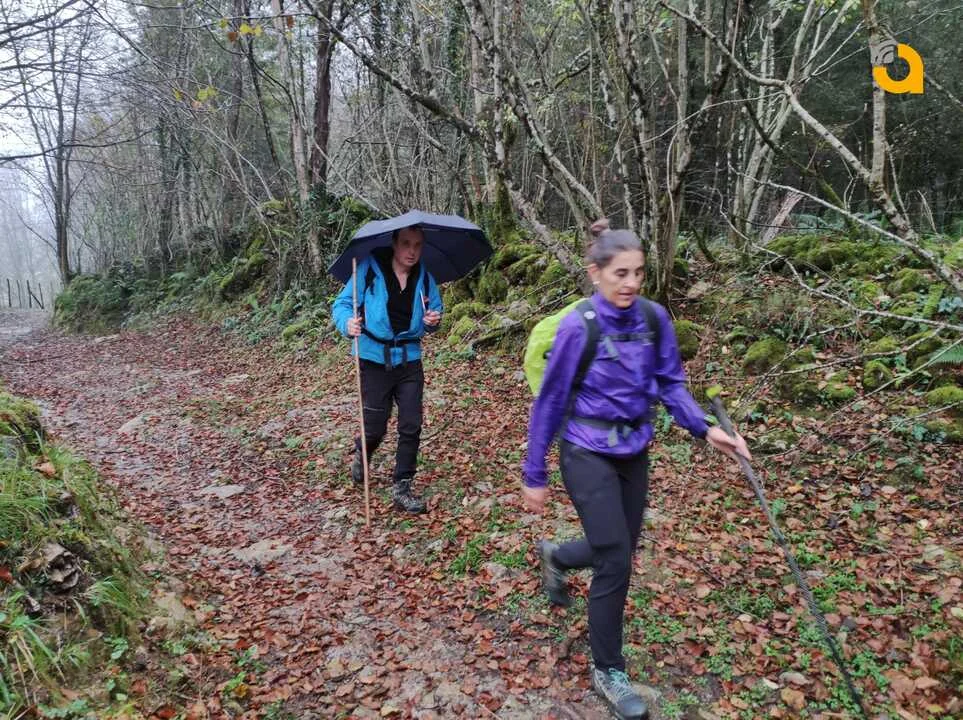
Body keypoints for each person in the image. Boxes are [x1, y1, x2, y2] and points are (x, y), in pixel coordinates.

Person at [521, 219, 751, 720]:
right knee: (616, 560)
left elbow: (670, 382)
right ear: (596, 272)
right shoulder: (578, 326)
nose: (630, 283)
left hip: (634, 450)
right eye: (620, 273)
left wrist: (704, 428)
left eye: (638, 273)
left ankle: (557, 555)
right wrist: (534, 472)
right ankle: (608, 669)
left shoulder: (653, 317)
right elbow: (551, 400)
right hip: (585, 450)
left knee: (618, 546)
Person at [332, 225, 443, 514]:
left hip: (409, 359)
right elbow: (342, 304)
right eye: (406, 243)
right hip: (373, 359)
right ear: (394, 243)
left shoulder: (425, 277)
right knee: (375, 426)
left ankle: (402, 487)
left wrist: (433, 320)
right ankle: (363, 451)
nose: (412, 251)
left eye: (417, 245)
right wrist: (347, 323)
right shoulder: (369, 268)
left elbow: (435, 312)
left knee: (411, 423)